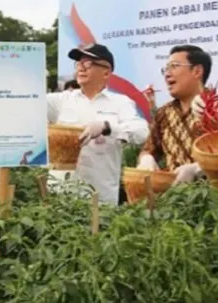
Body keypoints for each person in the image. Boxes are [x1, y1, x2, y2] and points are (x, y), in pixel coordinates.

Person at [47, 43, 149, 205]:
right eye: (79, 63)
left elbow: (141, 131)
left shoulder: (120, 103)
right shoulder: (61, 100)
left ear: (106, 72)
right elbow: (31, 104)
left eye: (88, 63)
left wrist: (107, 127)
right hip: (61, 195)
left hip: (100, 197)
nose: (81, 68)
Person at [136, 45, 218, 183]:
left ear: (197, 71)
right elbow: (148, 149)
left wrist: (200, 168)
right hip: (174, 198)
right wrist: (146, 160)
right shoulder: (163, 113)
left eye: (174, 66)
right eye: (166, 68)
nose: (167, 74)